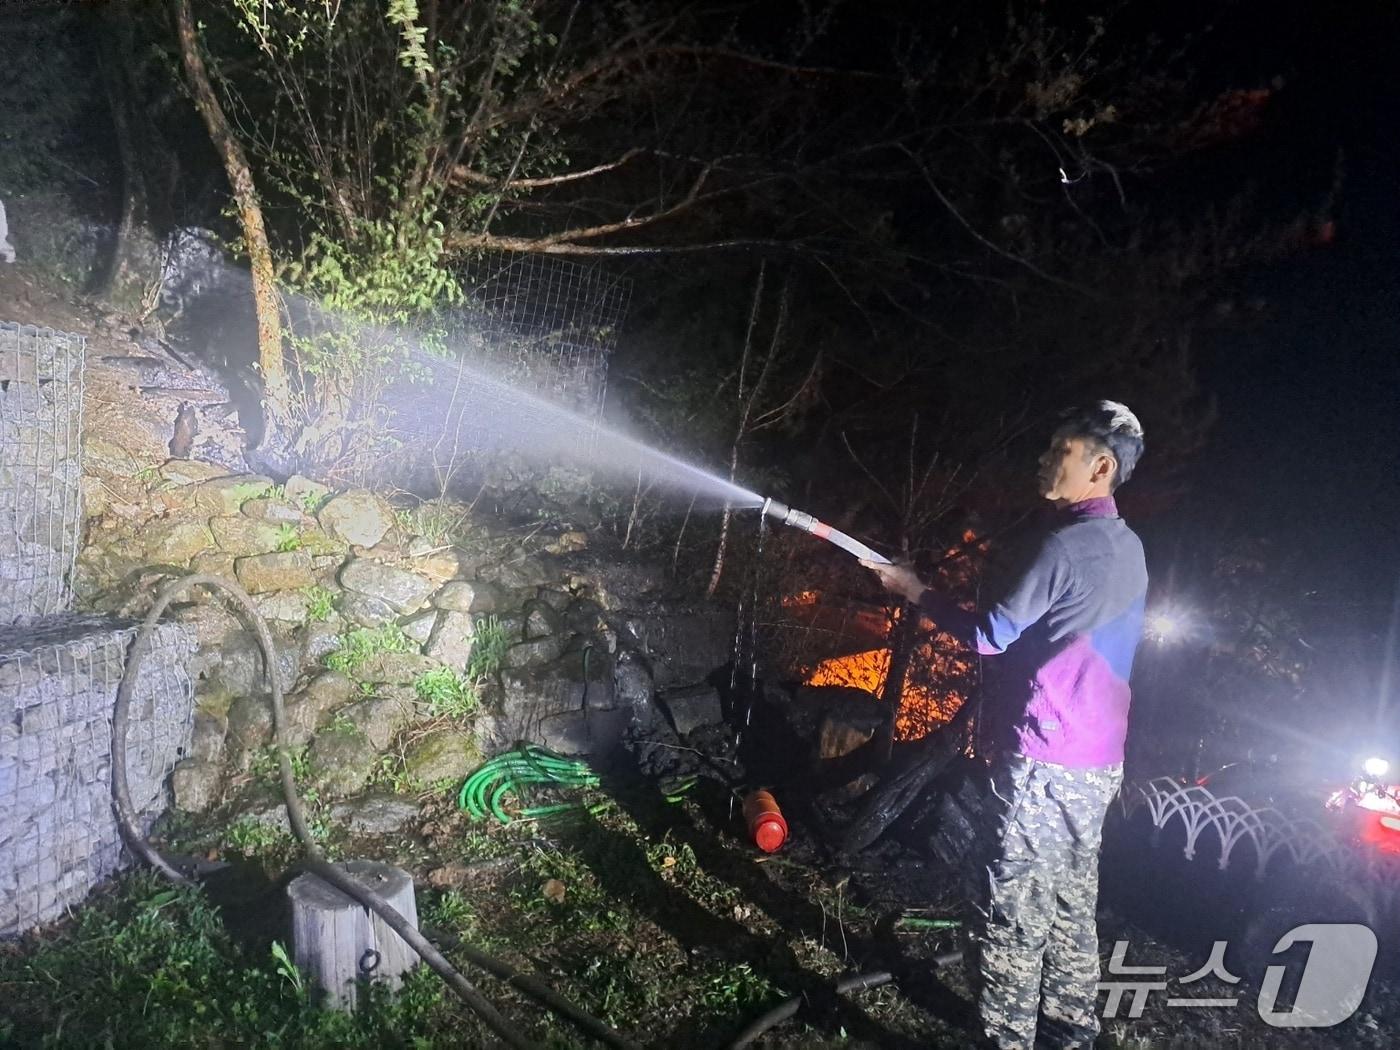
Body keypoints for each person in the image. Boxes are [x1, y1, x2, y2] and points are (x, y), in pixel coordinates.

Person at [862, 400, 1148, 1050]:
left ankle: (1006, 1041)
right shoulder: (1129, 548)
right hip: (1098, 762)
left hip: (1045, 762)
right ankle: (1074, 1031)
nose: (1045, 459)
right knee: (1073, 900)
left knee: (1009, 914)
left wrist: (913, 591)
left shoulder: (1064, 546)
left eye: (1061, 450)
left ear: (1100, 466)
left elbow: (991, 636)